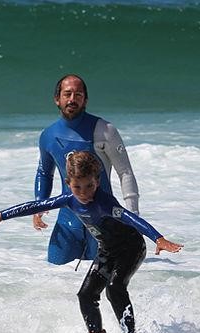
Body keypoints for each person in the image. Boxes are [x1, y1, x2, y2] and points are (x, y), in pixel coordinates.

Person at [0, 151, 182, 333]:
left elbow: (131, 218)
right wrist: (0, 215)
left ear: (97, 182)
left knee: (115, 288)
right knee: (86, 295)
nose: (84, 193)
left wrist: (158, 238)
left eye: (89, 186)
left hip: (131, 247)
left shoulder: (104, 203)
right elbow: (35, 206)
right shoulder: (69, 200)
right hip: (107, 250)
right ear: (68, 184)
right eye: (77, 187)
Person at [34, 74, 140, 266]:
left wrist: (132, 215)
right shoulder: (48, 135)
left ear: (86, 100)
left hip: (104, 222)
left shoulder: (105, 130)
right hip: (67, 223)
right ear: (57, 99)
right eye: (67, 94)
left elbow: (125, 172)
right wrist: (38, 207)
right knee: (53, 275)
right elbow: (44, 172)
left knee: (102, 283)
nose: (72, 99)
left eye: (78, 94)